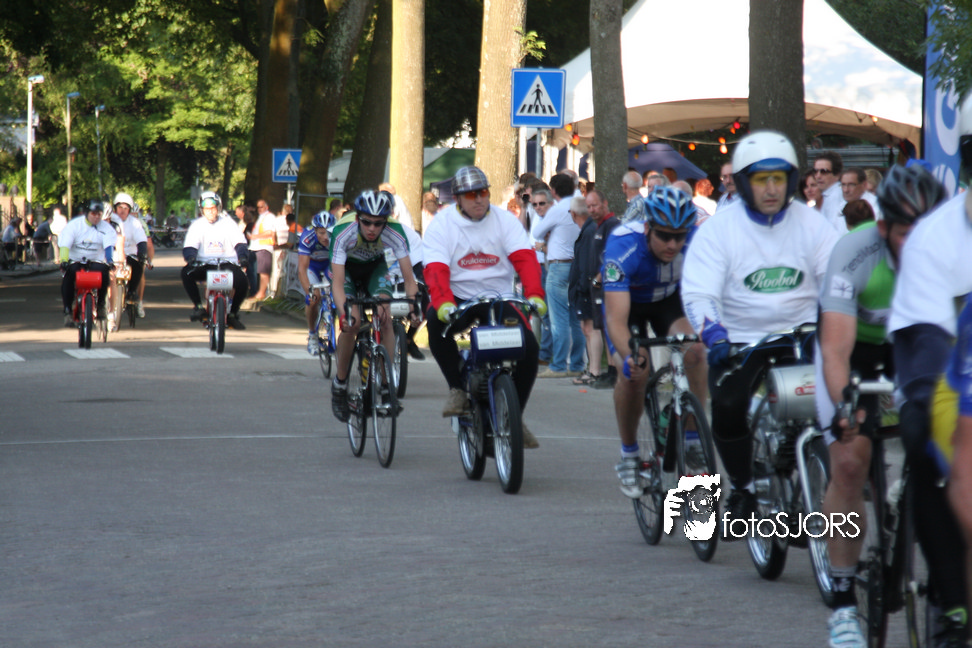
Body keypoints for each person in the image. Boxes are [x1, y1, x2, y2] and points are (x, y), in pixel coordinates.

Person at [815, 164, 947, 648]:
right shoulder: (856, 251)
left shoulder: (954, 250)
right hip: (858, 349)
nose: (918, 244)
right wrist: (844, 407)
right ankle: (843, 602)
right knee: (850, 461)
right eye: (907, 232)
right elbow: (835, 349)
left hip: (917, 345)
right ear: (885, 226)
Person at [681, 131, 839, 529]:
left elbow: (836, 281)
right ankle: (744, 488)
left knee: (840, 401)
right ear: (744, 182)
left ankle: (825, 476)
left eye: (778, 179)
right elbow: (699, 291)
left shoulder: (813, 224)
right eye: (760, 179)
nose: (771, 189)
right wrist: (714, 334)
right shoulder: (719, 230)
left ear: (791, 180)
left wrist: (838, 327)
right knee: (728, 405)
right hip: (739, 341)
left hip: (802, 336)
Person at [888, 94, 972, 648]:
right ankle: (952, 602)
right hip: (951, 373)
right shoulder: (933, 239)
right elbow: (927, 343)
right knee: (922, 436)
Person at [422, 166, 547, 448]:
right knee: (434, 322)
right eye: (470, 195)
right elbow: (436, 269)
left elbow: (525, 259)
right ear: (457, 198)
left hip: (498, 297)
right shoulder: (442, 224)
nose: (478, 199)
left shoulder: (505, 221)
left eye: (483, 192)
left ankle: (514, 417)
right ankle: (457, 389)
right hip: (458, 297)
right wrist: (443, 303)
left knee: (529, 347)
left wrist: (534, 295)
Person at [604, 186, 707, 496]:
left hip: (668, 300)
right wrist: (630, 357)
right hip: (629, 306)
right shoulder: (623, 245)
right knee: (636, 372)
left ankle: (693, 439)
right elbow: (615, 321)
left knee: (696, 352)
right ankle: (629, 454)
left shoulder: (696, 241)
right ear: (648, 228)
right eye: (664, 236)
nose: (673, 244)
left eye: (679, 236)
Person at [328, 190, 420, 423]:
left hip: (374, 268)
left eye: (378, 223)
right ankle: (340, 384)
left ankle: (387, 387)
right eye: (367, 222)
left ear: (386, 221)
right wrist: (344, 313)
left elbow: (409, 278)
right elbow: (337, 283)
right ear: (358, 217)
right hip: (347, 271)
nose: (372, 228)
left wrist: (414, 305)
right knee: (353, 323)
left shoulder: (395, 232)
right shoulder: (343, 232)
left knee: (384, 316)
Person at [533, 173, 585, 378]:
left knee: (558, 319)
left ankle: (558, 365)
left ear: (553, 191)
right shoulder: (580, 205)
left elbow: (537, 232)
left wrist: (549, 233)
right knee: (575, 318)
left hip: (558, 265)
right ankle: (577, 364)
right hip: (577, 265)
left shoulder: (557, 209)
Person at [181, 191, 249, 330]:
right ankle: (198, 307)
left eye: (213, 208)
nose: (210, 211)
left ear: (218, 208)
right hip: (205, 264)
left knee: (243, 282)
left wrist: (242, 257)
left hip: (226, 263)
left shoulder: (229, 224)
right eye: (207, 209)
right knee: (186, 273)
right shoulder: (197, 225)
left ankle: (232, 314)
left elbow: (240, 243)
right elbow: (190, 246)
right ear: (202, 210)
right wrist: (191, 258)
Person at [58, 201, 116, 326]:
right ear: (87, 213)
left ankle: (101, 305)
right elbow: (65, 245)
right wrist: (64, 260)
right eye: (93, 214)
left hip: (95, 261)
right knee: (68, 275)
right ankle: (67, 310)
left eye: (99, 214)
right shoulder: (74, 226)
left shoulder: (106, 228)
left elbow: (108, 247)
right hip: (76, 260)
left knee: (105, 272)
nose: (96, 217)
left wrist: (110, 261)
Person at [297, 211, 335, 355]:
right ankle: (312, 334)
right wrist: (309, 292)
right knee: (314, 299)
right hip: (311, 266)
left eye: (328, 232)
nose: (325, 237)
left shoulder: (337, 237)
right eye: (321, 233)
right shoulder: (308, 238)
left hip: (329, 265)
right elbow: (302, 269)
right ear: (315, 231)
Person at [108, 192, 149, 318]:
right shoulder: (109, 221)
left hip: (130, 254)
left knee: (138, 264)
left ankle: (131, 291)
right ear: (115, 208)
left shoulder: (135, 223)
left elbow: (141, 240)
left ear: (130, 210)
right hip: (113, 255)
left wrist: (142, 253)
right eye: (120, 207)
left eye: (126, 208)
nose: (123, 211)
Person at [247, 198, 276, 300]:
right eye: (258, 207)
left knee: (263, 272)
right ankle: (255, 292)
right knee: (254, 272)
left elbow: (270, 232)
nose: (259, 209)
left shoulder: (269, 217)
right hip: (255, 248)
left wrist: (255, 236)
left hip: (264, 247)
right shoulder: (260, 217)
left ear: (266, 207)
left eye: (261, 207)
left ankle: (261, 293)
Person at [815, 151, 846, 231]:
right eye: (815, 171)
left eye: (824, 171)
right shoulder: (826, 195)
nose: (818, 176)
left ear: (837, 175)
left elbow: (835, 230)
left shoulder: (836, 196)